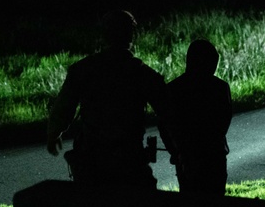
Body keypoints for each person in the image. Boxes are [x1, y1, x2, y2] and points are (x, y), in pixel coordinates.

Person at [46, 10, 174, 189]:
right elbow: (169, 114)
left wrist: (54, 132)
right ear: (132, 35)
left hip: (92, 162)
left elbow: (63, 107)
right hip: (129, 161)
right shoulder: (142, 74)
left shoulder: (83, 70)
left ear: (104, 35)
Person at [163, 39, 232, 196]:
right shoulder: (220, 88)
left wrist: (176, 151)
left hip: (185, 156)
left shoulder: (174, 89)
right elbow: (224, 121)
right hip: (214, 155)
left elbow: (166, 124)